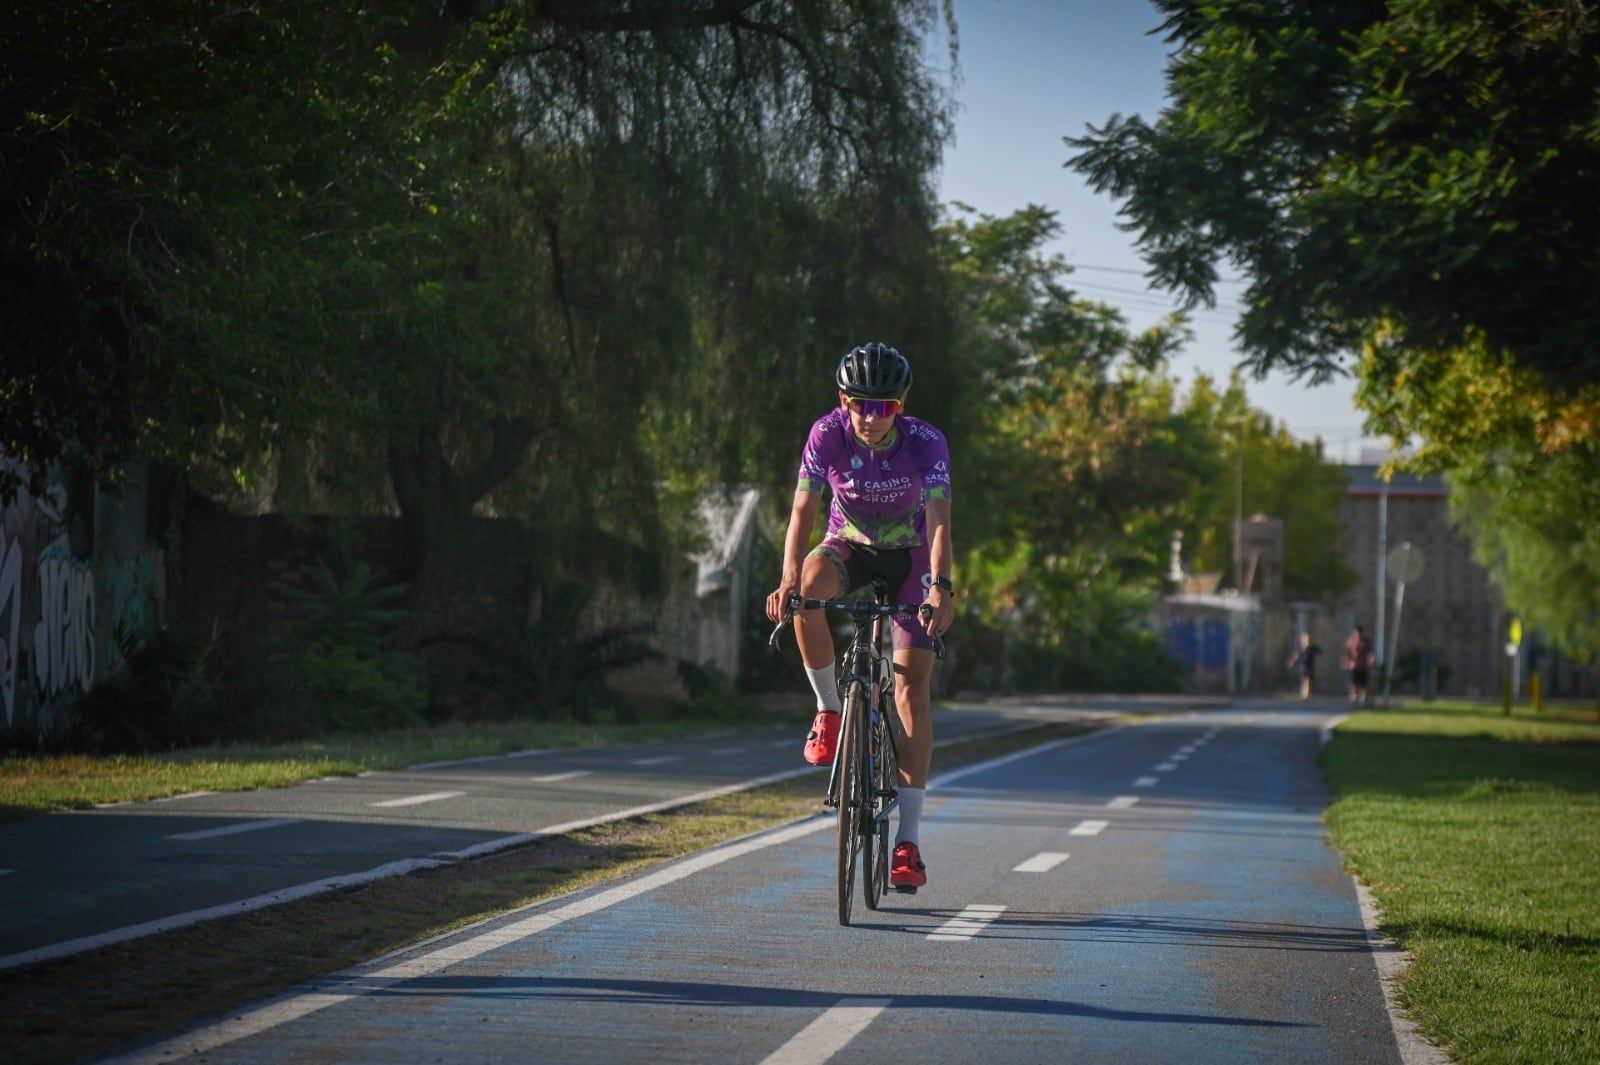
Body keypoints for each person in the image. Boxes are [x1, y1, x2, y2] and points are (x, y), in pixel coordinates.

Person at [765, 343, 954, 892]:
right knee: (806, 590)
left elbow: (940, 520)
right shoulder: (827, 434)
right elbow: (803, 510)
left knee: (909, 691)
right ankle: (828, 709)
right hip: (847, 544)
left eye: (885, 407)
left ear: (901, 407)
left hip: (911, 556)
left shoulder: (926, 442)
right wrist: (784, 580)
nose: (871, 419)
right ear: (843, 401)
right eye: (860, 405)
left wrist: (940, 587)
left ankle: (908, 843)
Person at [1345, 625, 1375, 707]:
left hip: (1363, 666)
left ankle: (1365, 699)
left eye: (1359, 633)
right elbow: (1347, 653)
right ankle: (1354, 699)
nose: (1357, 635)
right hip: (1353, 666)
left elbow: (1370, 653)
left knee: (1364, 684)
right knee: (1354, 683)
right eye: (1356, 633)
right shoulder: (1351, 641)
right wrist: (1346, 662)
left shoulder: (1365, 642)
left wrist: (1371, 660)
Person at [1288, 630, 1321, 701]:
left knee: (1309, 681)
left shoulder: (1312, 647)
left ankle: (1308, 694)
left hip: (1310, 666)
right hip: (1303, 667)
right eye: (1305, 638)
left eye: (1308, 638)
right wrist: (1292, 662)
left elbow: (1320, 653)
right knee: (1304, 681)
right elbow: (1296, 655)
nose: (1307, 640)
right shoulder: (1301, 647)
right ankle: (1304, 695)